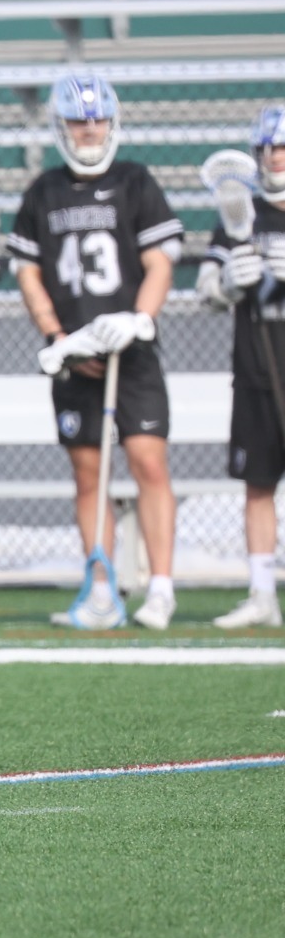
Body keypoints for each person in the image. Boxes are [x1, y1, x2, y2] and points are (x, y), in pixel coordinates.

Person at [6, 76, 182, 630]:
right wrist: (58, 339)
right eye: (79, 121)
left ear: (111, 122)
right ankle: (101, 584)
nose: (89, 130)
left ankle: (160, 587)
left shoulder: (134, 181)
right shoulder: (44, 191)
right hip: (75, 354)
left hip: (133, 353)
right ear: (62, 127)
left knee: (149, 461)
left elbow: (160, 263)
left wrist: (140, 321)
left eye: (96, 119)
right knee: (89, 474)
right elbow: (28, 273)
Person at [195, 104, 285, 629]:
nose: (275, 157)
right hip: (256, 369)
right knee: (258, 484)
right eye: (268, 148)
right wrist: (229, 284)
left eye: (283, 148)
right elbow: (205, 291)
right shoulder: (239, 219)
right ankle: (261, 593)